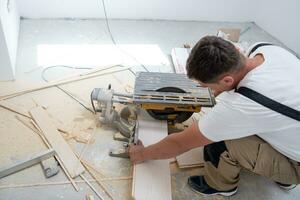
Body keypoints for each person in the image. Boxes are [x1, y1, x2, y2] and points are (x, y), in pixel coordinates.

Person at [129, 36, 300, 196]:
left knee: (218, 141)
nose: (207, 90)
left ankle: (221, 186)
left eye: (206, 86)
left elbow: (180, 143)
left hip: (297, 165)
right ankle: (282, 167)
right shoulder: (266, 49)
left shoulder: (246, 103)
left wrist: (142, 154)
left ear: (227, 80)